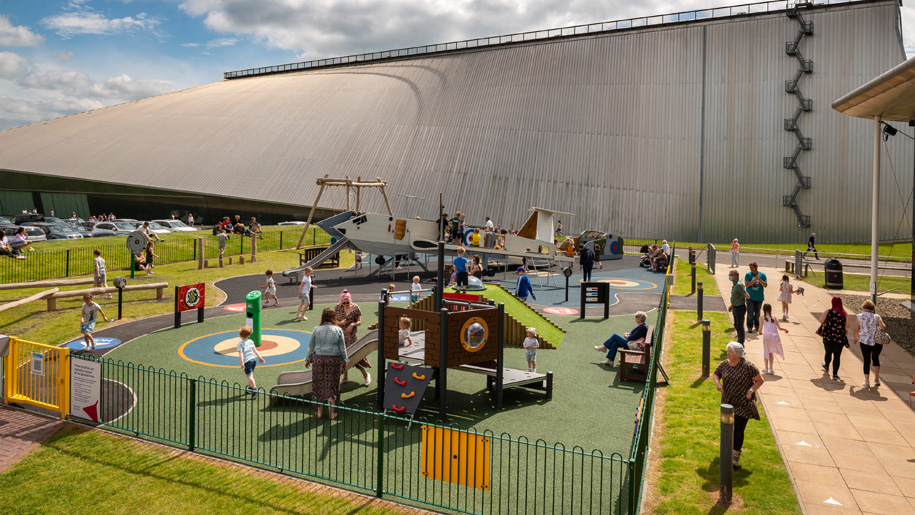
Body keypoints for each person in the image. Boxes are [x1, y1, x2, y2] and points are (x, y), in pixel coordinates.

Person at [713, 342, 764, 470]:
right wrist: (718, 384)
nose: (727, 353)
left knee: (738, 429)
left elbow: (760, 380)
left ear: (737, 354)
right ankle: (730, 448)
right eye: (727, 351)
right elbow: (716, 374)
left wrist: (751, 390)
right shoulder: (725, 364)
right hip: (728, 402)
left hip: (743, 403)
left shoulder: (748, 366)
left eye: (729, 351)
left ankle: (735, 455)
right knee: (729, 427)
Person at [305, 308, 349, 420]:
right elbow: (342, 347)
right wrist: (345, 360)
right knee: (332, 385)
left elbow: (311, 346)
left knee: (319, 383)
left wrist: (308, 359)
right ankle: (331, 413)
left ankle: (319, 412)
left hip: (318, 358)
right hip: (333, 359)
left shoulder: (316, 329)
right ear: (334, 317)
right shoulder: (338, 330)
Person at [335, 290, 371, 385]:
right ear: (341, 301)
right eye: (344, 302)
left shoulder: (355, 308)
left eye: (348, 302)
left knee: (354, 357)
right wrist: (341, 323)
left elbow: (359, 321)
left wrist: (352, 324)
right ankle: (345, 376)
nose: (346, 304)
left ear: (350, 300)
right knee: (343, 357)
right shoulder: (337, 308)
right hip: (341, 335)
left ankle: (365, 374)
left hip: (352, 336)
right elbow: (333, 321)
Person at [854, 300, 886, 388]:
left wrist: (855, 337)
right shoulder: (877, 316)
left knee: (866, 360)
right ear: (872, 308)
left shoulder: (859, 316)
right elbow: (883, 327)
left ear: (864, 307)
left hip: (864, 341)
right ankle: (876, 378)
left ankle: (867, 382)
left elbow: (856, 329)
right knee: (875, 358)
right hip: (876, 341)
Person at [819, 296, 849, 380]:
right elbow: (847, 327)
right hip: (840, 337)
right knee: (837, 355)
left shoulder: (828, 311)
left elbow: (821, 321)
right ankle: (835, 374)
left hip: (828, 335)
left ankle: (827, 365)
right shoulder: (844, 314)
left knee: (828, 352)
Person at [236, 326, 266, 399]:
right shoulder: (251, 341)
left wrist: (242, 363)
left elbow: (241, 354)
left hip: (247, 361)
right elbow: (255, 351)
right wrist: (260, 357)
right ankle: (250, 387)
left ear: (240, 335)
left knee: (249, 376)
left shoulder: (240, 344)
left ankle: (255, 389)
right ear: (249, 335)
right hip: (253, 360)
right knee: (250, 375)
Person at [758, 303, 788, 375]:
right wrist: (785, 329)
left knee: (766, 351)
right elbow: (779, 328)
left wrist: (760, 332)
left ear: (763, 309)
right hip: (774, 336)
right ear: (771, 309)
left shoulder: (762, 317)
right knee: (771, 352)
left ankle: (766, 368)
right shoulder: (774, 317)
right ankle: (771, 369)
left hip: (767, 336)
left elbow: (760, 329)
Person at [744, 262, 767, 335]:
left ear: (756, 267)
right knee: (750, 312)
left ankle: (757, 325)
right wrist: (754, 280)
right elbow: (747, 285)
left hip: (759, 298)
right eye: (750, 268)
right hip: (750, 297)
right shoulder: (748, 275)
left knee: (757, 313)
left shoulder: (762, 275)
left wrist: (759, 279)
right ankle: (749, 326)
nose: (751, 269)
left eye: (752, 267)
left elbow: (765, 285)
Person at [728, 270, 750, 343]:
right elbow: (735, 296)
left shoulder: (738, 285)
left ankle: (741, 342)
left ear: (736, 276)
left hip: (739, 308)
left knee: (740, 325)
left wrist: (745, 297)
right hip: (735, 307)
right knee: (736, 324)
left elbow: (747, 295)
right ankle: (739, 339)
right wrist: (731, 305)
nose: (730, 276)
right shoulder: (735, 284)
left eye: (731, 275)